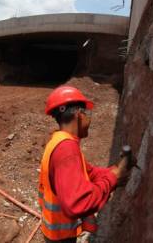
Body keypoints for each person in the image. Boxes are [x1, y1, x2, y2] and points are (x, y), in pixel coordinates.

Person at [38, 86, 129, 242]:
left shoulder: (60, 142)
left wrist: (116, 170)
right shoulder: (67, 150)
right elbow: (78, 203)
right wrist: (112, 180)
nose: (89, 119)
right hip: (61, 238)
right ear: (79, 115)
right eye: (87, 114)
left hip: (56, 232)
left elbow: (90, 172)